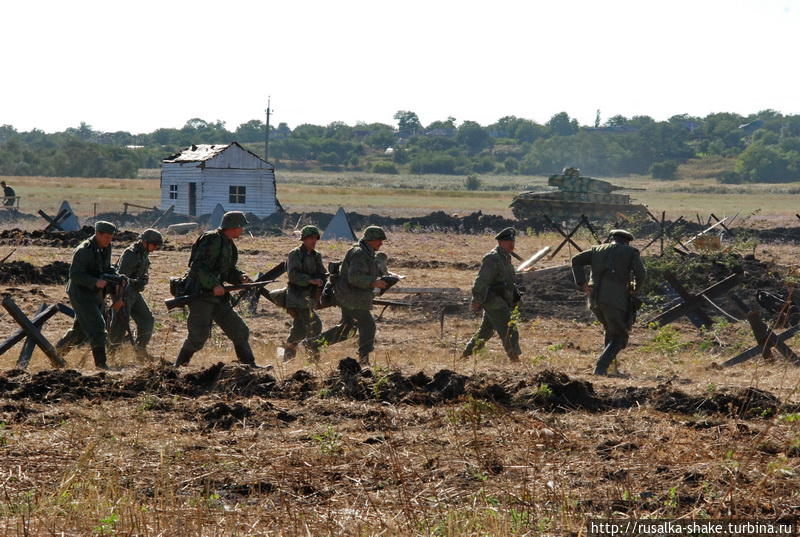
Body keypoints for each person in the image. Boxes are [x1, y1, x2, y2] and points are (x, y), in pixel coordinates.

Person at [173, 211, 258, 367]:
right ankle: (177, 368)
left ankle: (249, 366)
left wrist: (240, 277)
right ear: (234, 226)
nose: (243, 230)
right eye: (241, 227)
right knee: (198, 337)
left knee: (239, 330)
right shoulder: (212, 239)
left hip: (218, 296)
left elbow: (227, 270)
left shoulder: (228, 243)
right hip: (201, 295)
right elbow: (198, 267)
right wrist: (214, 284)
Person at [306, 226, 389, 365]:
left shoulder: (367, 253)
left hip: (351, 296)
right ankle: (364, 360)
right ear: (370, 240)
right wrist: (373, 282)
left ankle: (314, 344)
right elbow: (354, 277)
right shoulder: (360, 253)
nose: (381, 243)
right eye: (379, 240)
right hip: (350, 297)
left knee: (347, 329)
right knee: (368, 324)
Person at [571, 229, 646, 375]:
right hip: (615, 300)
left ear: (612, 238)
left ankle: (611, 369)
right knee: (620, 336)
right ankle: (601, 367)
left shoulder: (597, 250)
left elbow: (576, 260)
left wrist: (582, 283)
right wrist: (634, 289)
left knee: (610, 331)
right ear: (627, 242)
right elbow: (641, 273)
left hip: (594, 299)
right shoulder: (631, 252)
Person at [55, 221, 119, 369]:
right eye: (106, 237)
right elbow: (75, 275)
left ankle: (55, 354)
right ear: (97, 234)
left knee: (80, 332)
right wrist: (95, 281)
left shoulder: (106, 247)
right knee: (98, 327)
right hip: (80, 294)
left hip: (95, 294)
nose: (109, 241)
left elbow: (105, 267)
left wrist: (115, 275)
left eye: (111, 238)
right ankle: (101, 365)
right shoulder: (83, 250)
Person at [461, 227, 522, 362]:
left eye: (513, 241)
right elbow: (481, 281)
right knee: (509, 329)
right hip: (493, 301)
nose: (511, 244)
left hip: (501, 299)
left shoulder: (506, 257)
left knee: (485, 332)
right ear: (500, 242)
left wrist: (515, 298)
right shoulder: (492, 258)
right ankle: (515, 359)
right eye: (508, 241)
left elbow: (508, 281)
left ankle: (466, 355)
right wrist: (476, 300)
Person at [108, 228, 163, 359]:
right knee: (120, 324)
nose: (155, 248)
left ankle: (140, 350)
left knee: (147, 319)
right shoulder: (131, 254)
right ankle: (110, 355)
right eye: (154, 245)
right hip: (124, 292)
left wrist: (142, 280)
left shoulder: (143, 253)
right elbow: (120, 279)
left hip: (134, 292)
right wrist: (118, 299)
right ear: (145, 242)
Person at [282, 225, 327, 361]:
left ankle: (287, 360)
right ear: (304, 239)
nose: (314, 241)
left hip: (309, 298)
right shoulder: (295, 254)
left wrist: (325, 278)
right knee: (315, 325)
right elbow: (293, 276)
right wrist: (310, 280)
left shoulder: (316, 255)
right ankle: (313, 359)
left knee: (299, 330)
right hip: (297, 297)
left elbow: (322, 273)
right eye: (311, 238)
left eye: (315, 238)